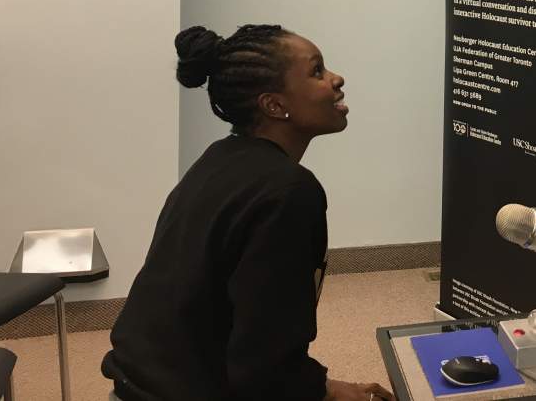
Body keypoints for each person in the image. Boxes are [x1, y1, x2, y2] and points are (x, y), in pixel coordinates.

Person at [102, 24, 396, 401]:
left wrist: (323, 387)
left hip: (140, 386)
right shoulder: (288, 192)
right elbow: (264, 367)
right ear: (274, 105)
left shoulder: (221, 158)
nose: (337, 79)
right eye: (317, 71)